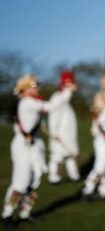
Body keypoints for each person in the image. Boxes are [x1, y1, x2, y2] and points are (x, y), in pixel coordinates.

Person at [2, 75, 74, 227]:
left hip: (35, 146)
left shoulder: (32, 102)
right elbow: (50, 107)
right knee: (20, 183)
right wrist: (67, 92)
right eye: (34, 86)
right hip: (23, 147)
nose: (38, 88)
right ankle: (7, 213)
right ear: (25, 89)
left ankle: (25, 212)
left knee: (35, 182)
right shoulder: (27, 103)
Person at [47, 71, 80, 183]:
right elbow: (54, 115)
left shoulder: (65, 99)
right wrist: (54, 131)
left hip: (68, 133)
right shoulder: (58, 97)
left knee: (69, 154)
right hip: (60, 132)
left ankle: (74, 174)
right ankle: (53, 175)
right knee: (57, 155)